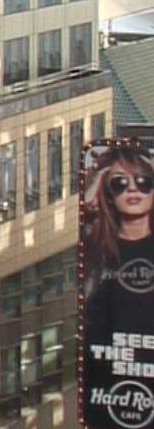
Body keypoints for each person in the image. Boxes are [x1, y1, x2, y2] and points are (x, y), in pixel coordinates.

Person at [81, 143, 154, 352]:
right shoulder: (94, 247)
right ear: (108, 195)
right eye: (119, 183)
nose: (132, 188)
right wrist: (95, 183)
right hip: (107, 372)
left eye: (143, 181)